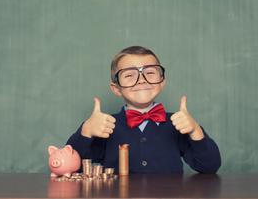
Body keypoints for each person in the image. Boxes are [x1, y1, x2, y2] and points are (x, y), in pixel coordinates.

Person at [66, 46, 221, 174]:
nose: (141, 80)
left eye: (150, 72)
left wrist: (195, 130)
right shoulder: (103, 125)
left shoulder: (178, 123)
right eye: (129, 75)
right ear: (116, 88)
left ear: (162, 82)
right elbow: (72, 168)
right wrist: (85, 132)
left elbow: (210, 167)